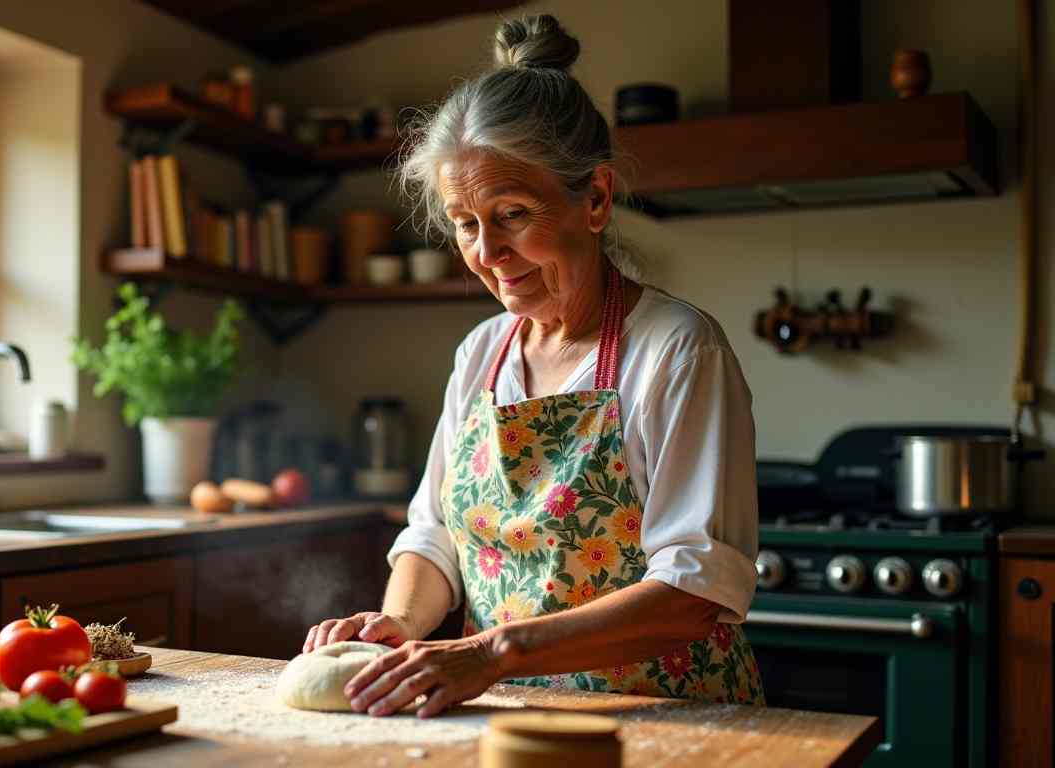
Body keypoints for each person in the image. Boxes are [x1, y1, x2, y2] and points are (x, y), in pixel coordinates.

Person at [303, 14, 765, 717]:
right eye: (465, 223)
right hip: (508, 717)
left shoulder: (677, 349)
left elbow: (695, 592)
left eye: (512, 213)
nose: (486, 252)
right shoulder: (482, 353)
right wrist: (399, 625)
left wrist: (492, 653)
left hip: (660, 723)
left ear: (596, 199)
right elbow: (434, 538)